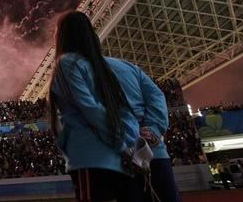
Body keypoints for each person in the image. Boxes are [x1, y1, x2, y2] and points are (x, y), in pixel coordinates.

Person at [48, 11, 181, 202]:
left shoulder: (70, 66)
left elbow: (92, 111)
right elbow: (157, 97)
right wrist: (151, 130)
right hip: (153, 153)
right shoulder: (128, 67)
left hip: (111, 157)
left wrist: (126, 145)